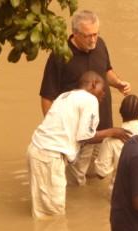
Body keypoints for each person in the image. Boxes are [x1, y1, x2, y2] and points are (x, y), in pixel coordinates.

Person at [39, 9, 131, 186]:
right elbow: (47, 96)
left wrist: (118, 83)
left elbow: (106, 71)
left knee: (97, 177)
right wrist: (55, 131)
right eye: (88, 36)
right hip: (76, 136)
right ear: (75, 33)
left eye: (96, 34)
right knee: (73, 183)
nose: (93, 39)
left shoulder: (100, 45)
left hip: (103, 129)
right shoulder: (59, 55)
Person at [28, 71, 117, 219]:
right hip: (50, 155)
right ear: (94, 84)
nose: (104, 95)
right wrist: (113, 132)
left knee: (41, 211)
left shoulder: (65, 96)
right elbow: (85, 136)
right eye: (103, 90)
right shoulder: (90, 99)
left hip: (37, 150)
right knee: (53, 215)